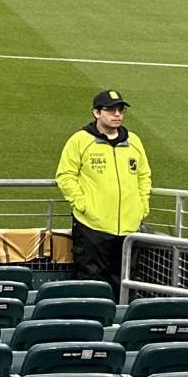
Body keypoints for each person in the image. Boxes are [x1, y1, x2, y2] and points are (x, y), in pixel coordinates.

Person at [54, 90, 150, 289]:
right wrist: (82, 204)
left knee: (126, 283)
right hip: (92, 227)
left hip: (129, 227)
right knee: (90, 283)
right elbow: (65, 175)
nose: (117, 114)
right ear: (96, 113)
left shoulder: (134, 141)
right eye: (111, 110)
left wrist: (142, 206)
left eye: (120, 110)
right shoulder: (80, 141)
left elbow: (143, 175)